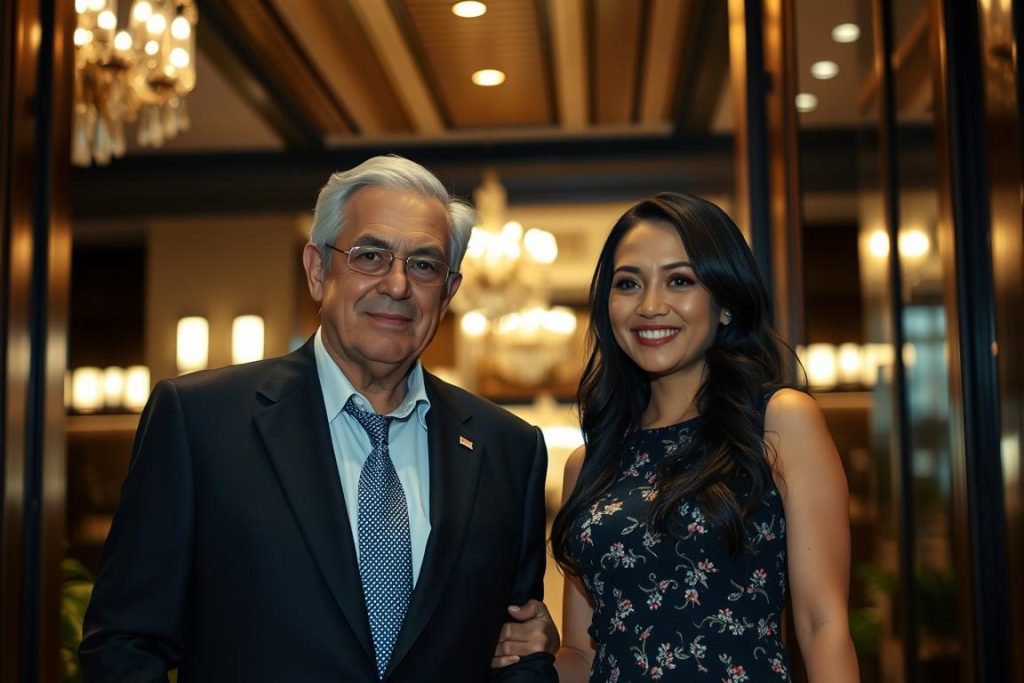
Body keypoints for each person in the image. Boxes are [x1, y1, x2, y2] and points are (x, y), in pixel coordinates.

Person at [80, 155, 558, 682]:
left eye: (424, 265)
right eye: (370, 256)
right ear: (316, 270)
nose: (397, 285)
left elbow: (518, 652)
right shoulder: (201, 423)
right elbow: (124, 644)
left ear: (448, 293)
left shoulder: (509, 449)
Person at [496, 193, 859, 681]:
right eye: (629, 283)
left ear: (725, 304)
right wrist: (537, 652)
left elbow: (822, 624)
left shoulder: (779, 422)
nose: (650, 306)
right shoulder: (589, 463)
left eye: (680, 280)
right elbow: (584, 655)